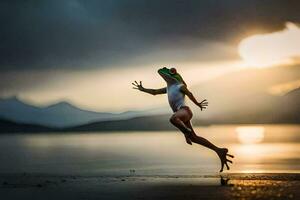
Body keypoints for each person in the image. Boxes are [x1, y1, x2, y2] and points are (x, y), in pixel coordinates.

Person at [132, 67, 233, 172]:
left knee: (173, 118)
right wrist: (143, 89)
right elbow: (154, 92)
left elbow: (189, 94)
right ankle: (219, 150)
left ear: (177, 77)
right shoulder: (168, 88)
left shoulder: (180, 86)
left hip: (185, 111)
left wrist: (198, 103)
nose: (166, 71)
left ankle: (186, 131)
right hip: (181, 115)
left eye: (172, 71)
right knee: (194, 138)